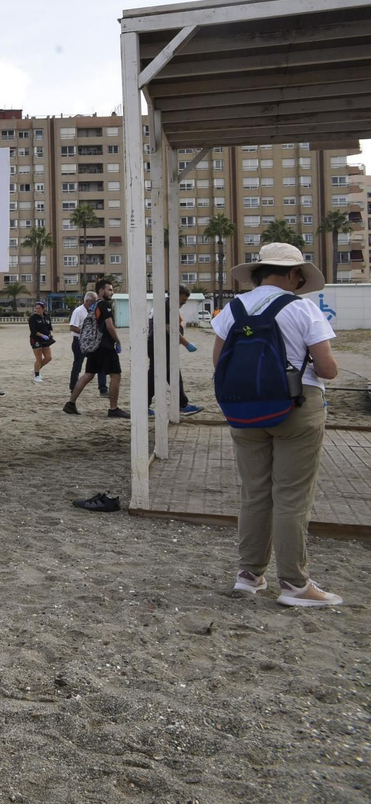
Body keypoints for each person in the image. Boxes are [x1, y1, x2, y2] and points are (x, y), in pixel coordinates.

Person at [213, 243, 341, 607]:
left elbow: (218, 361)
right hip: (296, 408)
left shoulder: (233, 310)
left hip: (243, 412)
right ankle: (295, 584)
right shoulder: (303, 309)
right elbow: (327, 368)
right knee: (292, 496)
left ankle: (249, 575)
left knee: (254, 492)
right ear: (291, 273)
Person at [64, 279, 127, 418]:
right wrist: (118, 341)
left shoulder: (94, 306)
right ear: (101, 291)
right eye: (109, 289)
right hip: (105, 346)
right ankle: (113, 408)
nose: (112, 292)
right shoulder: (104, 304)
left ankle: (70, 403)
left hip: (94, 346)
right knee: (116, 375)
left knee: (88, 374)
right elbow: (109, 326)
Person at [148, 285, 203, 417]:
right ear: (175, 296)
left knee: (166, 375)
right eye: (182, 300)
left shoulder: (166, 305)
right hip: (160, 345)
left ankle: (181, 404)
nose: (183, 303)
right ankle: (181, 405)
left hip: (162, 345)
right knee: (161, 375)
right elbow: (169, 328)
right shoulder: (167, 306)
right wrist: (187, 344)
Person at [67, 291, 111, 400]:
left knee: (100, 364)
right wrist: (86, 332)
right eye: (93, 301)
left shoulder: (94, 311)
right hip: (79, 341)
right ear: (87, 301)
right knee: (77, 365)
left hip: (92, 341)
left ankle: (103, 389)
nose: (95, 303)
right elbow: (72, 327)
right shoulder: (78, 311)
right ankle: (73, 388)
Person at [28, 300, 54, 384]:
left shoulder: (47, 317)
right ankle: (36, 376)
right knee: (38, 358)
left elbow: (49, 328)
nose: (37, 310)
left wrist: (50, 335)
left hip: (45, 340)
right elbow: (33, 331)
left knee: (48, 357)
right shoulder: (33, 318)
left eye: (39, 308)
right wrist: (42, 335)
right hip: (36, 339)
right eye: (36, 308)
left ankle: (36, 369)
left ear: (43, 309)